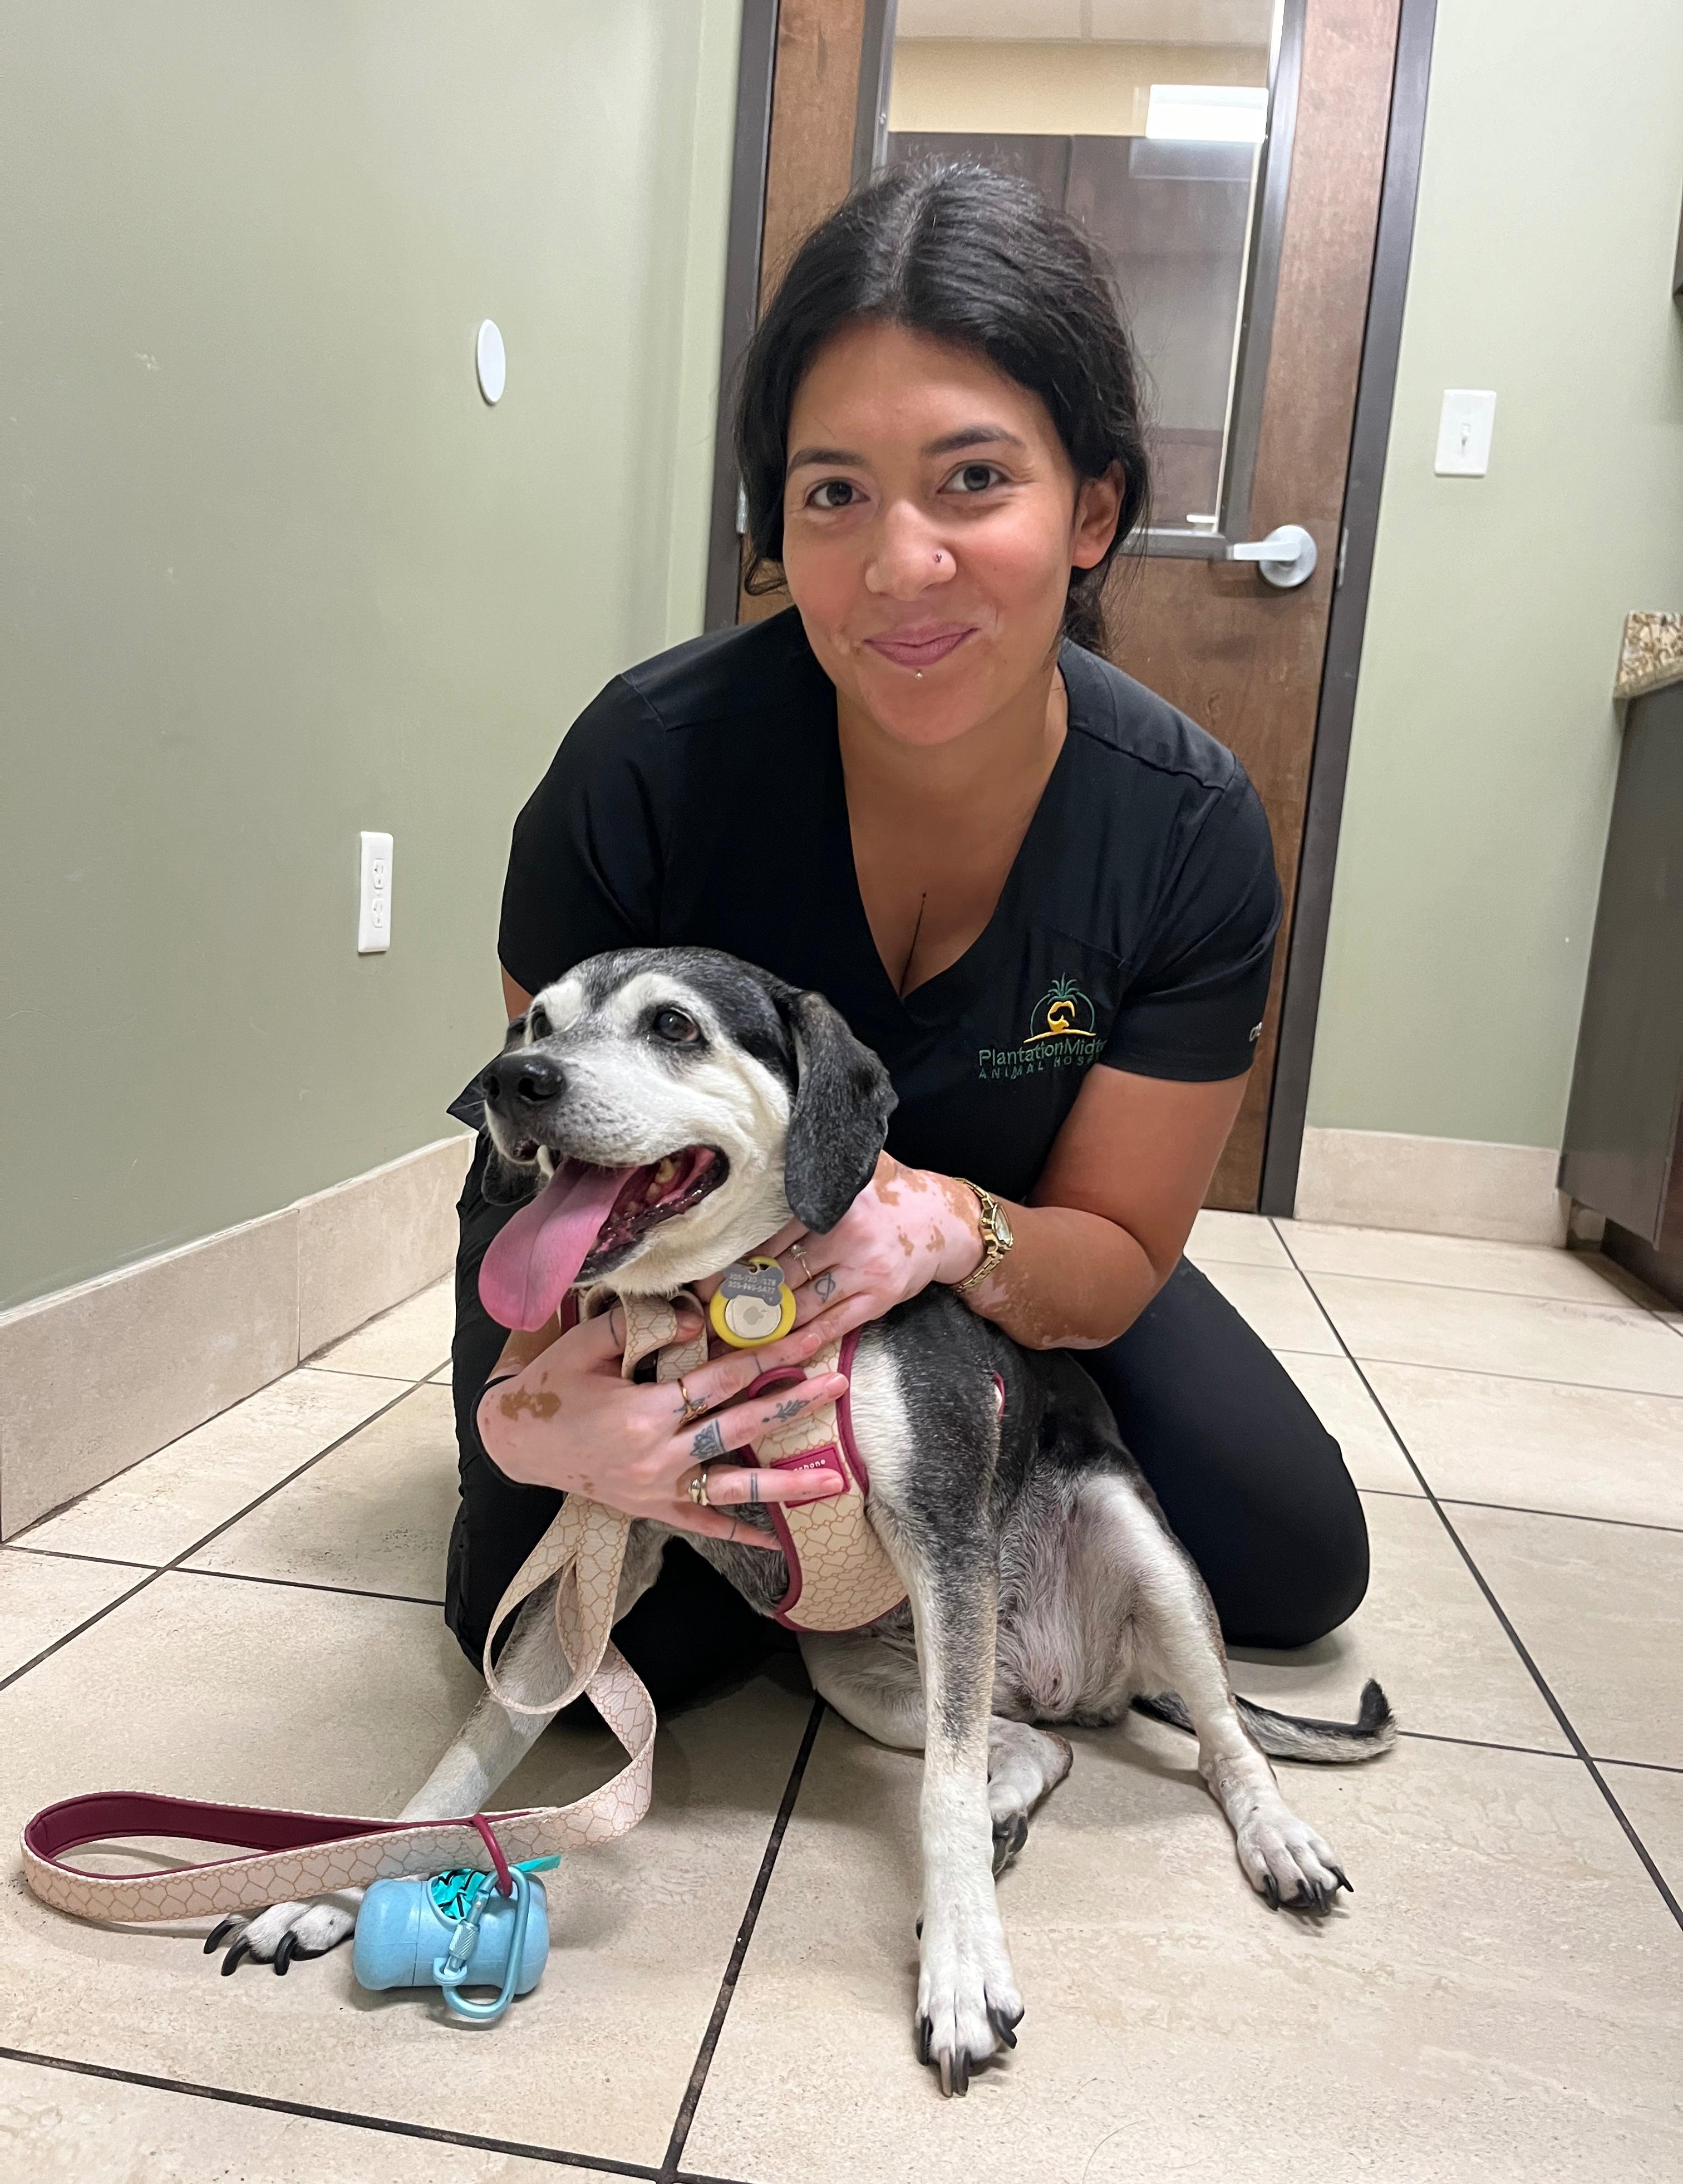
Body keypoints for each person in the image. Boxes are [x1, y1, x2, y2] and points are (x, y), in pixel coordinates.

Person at [445, 163, 1368, 1706]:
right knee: (595, 1647)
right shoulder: (642, 772)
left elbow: (1122, 1244)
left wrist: (945, 1230)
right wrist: (536, 1411)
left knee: (1289, 1562)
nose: (899, 565)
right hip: (676, 1258)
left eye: (973, 481)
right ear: (776, 522)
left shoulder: (1188, 828)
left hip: (1014, 1263)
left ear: (1096, 509)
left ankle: (903, 1518)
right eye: (834, 493)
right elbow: (537, 1159)